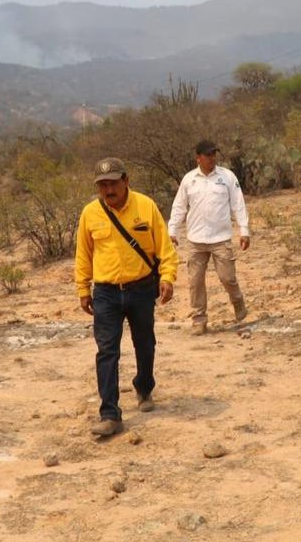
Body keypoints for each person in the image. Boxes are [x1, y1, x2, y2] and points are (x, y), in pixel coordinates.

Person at [75, 158, 177, 438]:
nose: (108, 190)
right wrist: (83, 288)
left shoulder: (146, 206)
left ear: (126, 181)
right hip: (106, 292)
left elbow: (165, 247)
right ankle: (110, 414)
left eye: (113, 183)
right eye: (102, 185)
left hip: (142, 287)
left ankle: (144, 387)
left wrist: (167, 277)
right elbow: (83, 253)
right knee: (107, 350)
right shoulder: (90, 213)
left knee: (144, 343)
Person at [168, 140, 250, 335]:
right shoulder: (189, 179)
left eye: (214, 154)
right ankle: (199, 319)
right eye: (208, 155)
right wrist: (172, 230)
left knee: (227, 278)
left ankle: (238, 301)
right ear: (198, 158)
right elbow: (179, 206)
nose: (212, 158)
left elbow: (238, 203)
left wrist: (244, 230)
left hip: (220, 238)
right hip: (196, 240)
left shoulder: (227, 177)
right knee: (195, 281)